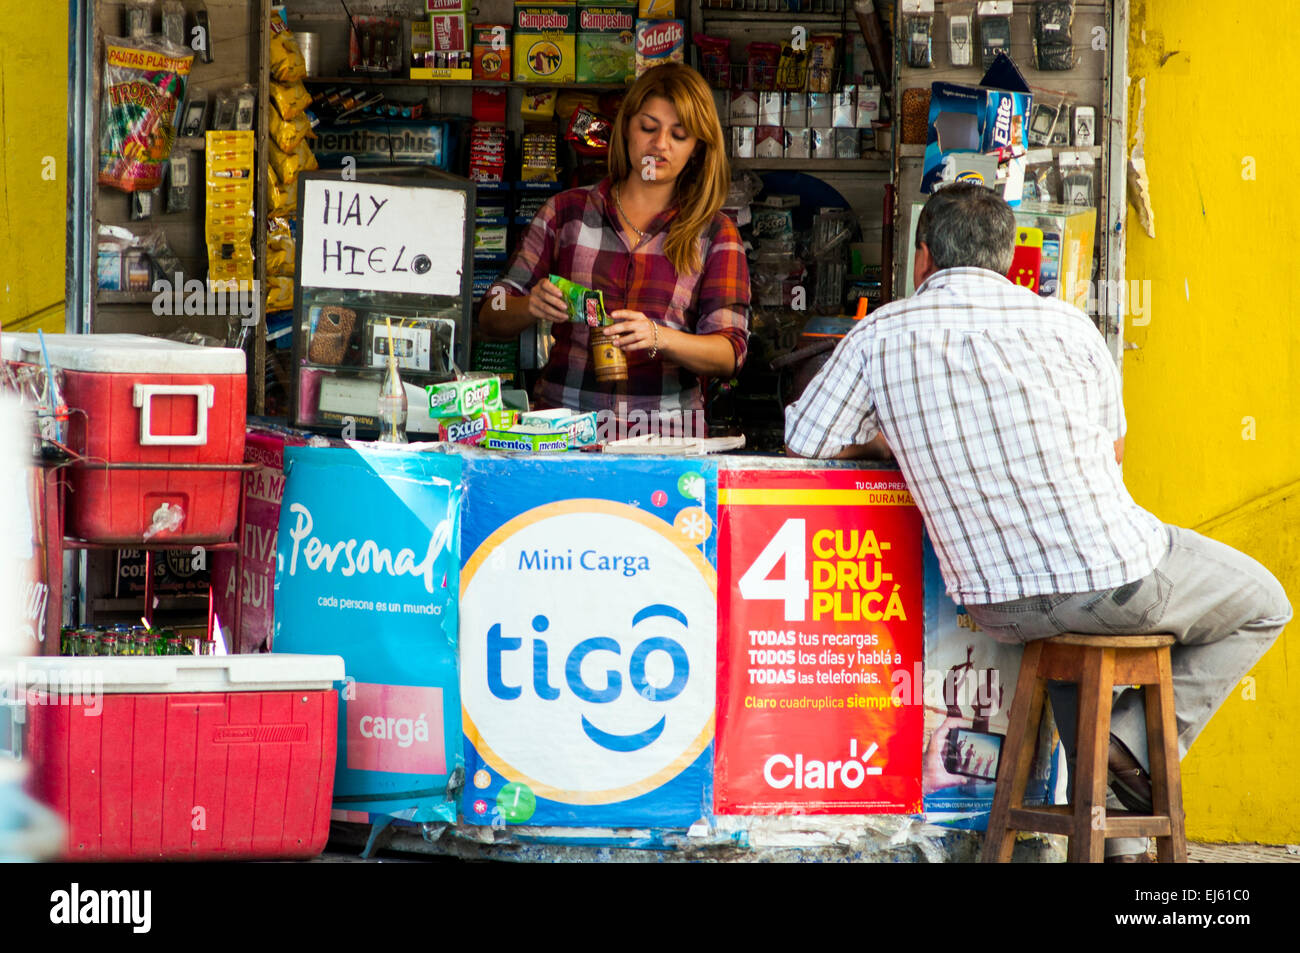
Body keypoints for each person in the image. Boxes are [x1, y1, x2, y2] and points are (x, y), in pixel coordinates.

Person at [784, 182, 1292, 861]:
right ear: (1008, 260)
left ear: (922, 258)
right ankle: (1132, 754)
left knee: (1070, 640)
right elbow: (1114, 454)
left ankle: (1119, 831)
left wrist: (887, 439)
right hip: (1111, 577)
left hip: (999, 606)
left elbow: (805, 440)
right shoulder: (1068, 324)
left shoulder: (879, 332)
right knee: (1265, 602)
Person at [479, 63, 750, 427]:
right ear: (625, 128)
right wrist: (530, 306)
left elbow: (730, 352)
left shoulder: (715, 233)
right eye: (648, 128)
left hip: (666, 439)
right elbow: (490, 313)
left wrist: (659, 337)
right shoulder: (565, 213)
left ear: (698, 148)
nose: (660, 144)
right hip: (564, 432)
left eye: (680, 135)